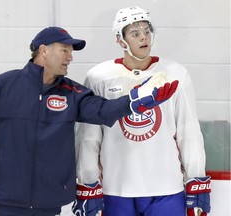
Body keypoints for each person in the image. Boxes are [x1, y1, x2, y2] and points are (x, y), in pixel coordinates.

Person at [0, 26, 178, 216]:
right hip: (4, 199)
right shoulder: (2, 86)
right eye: (65, 50)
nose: (70, 56)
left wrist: (133, 101)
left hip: (49, 203)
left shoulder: (72, 92)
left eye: (71, 51)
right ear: (44, 51)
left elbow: (103, 110)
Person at [73, 6, 211, 216]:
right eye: (135, 33)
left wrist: (196, 181)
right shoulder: (99, 77)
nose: (143, 37)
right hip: (116, 188)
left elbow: (188, 132)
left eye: (146, 31)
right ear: (120, 40)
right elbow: (88, 138)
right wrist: (88, 183)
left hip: (167, 188)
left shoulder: (175, 73)